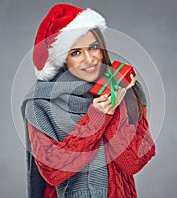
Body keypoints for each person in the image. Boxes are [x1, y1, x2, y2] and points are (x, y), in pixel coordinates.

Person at [21, 3, 156, 198]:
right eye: (76, 52)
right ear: (63, 59)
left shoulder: (124, 88)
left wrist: (115, 105)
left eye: (93, 48)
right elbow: (53, 172)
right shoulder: (40, 103)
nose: (90, 59)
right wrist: (97, 116)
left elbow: (134, 161)